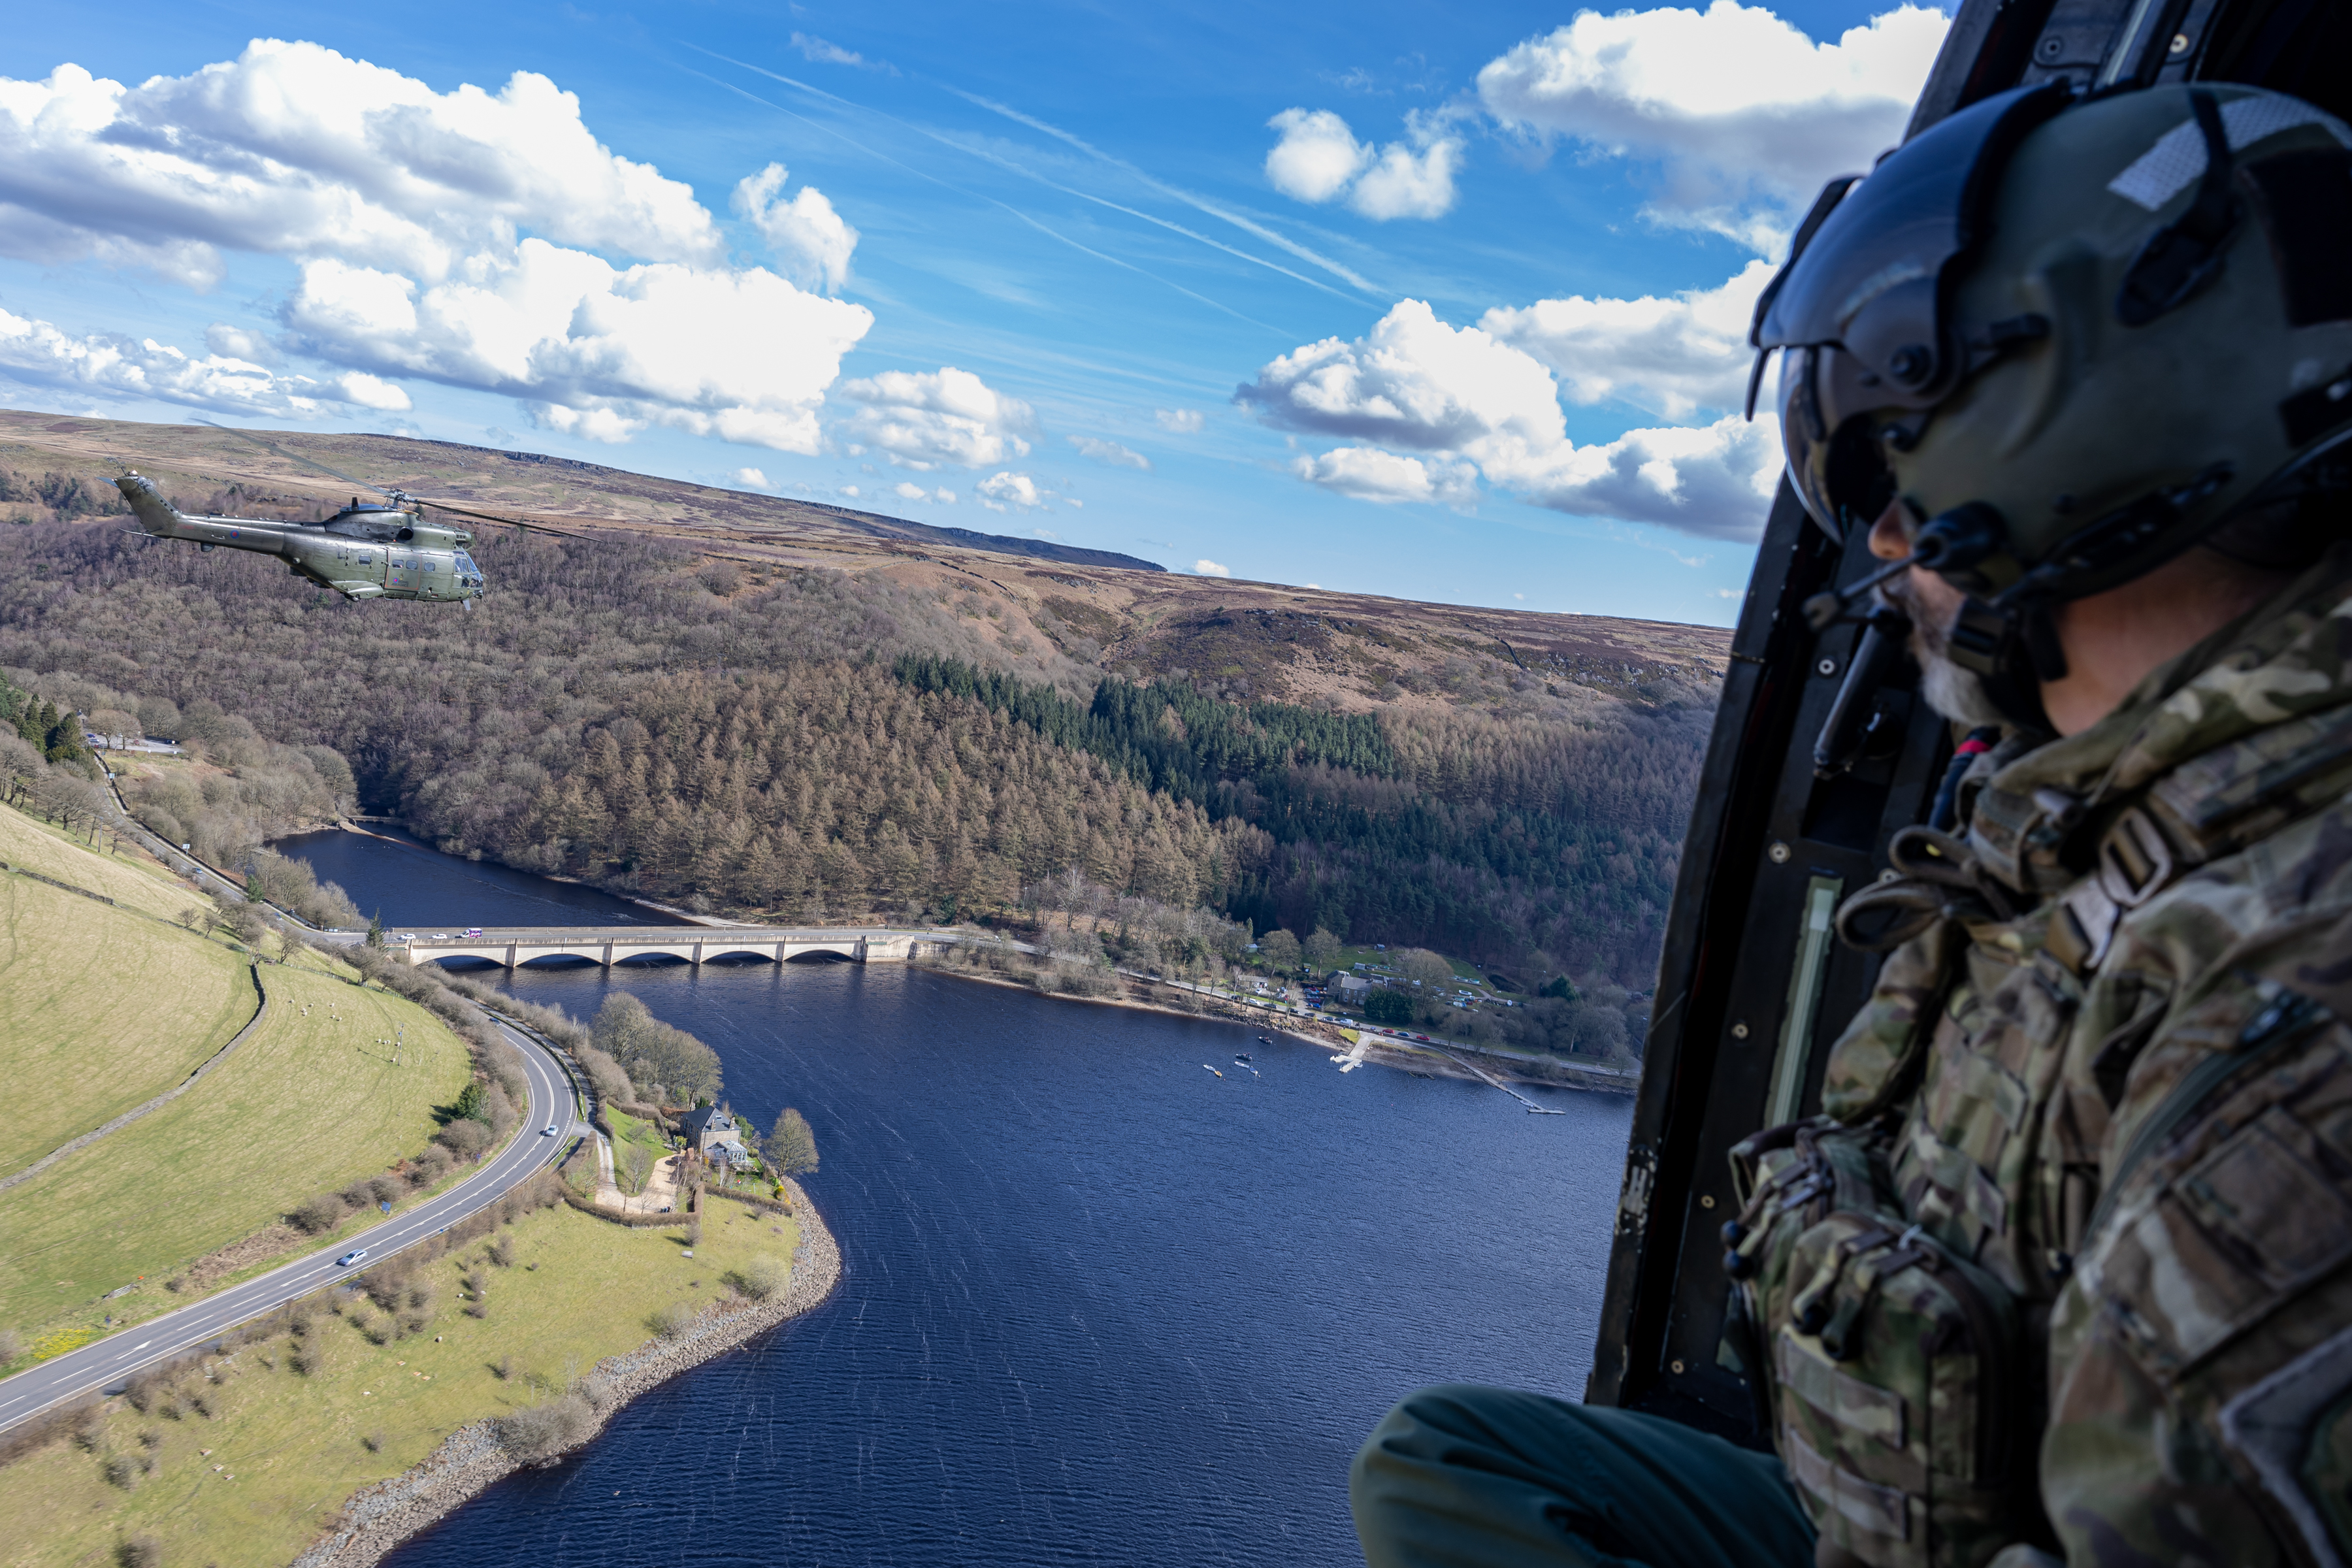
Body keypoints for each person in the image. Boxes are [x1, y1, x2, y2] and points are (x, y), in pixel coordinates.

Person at [1351, 78, 2352, 1568]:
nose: (1883, 544)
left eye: (1892, 469)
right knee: (1451, 1464)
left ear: (2063, 441)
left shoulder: (2294, 981)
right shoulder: (2110, 815)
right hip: (1898, 1517)